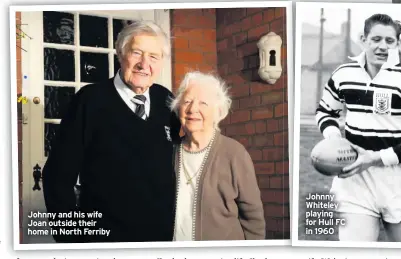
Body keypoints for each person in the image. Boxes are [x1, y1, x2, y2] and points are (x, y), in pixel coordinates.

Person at [42, 20, 181, 243]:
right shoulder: (89, 101)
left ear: (162, 62)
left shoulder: (166, 100)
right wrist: (71, 238)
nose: (144, 64)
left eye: (154, 57)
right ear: (121, 54)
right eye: (137, 53)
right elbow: (57, 177)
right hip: (103, 241)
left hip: (158, 239)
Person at [315, 14, 401, 242]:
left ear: (398, 44)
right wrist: (333, 138)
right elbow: (325, 112)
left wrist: (375, 157)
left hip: (400, 182)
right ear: (363, 39)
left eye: (390, 41)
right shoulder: (343, 75)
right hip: (353, 181)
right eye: (376, 39)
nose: (382, 46)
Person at [169, 71, 265, 241]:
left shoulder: (234, 154)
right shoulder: (170, 151)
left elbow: (253, 219)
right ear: (178, 108)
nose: (193, 109)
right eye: (188, 101)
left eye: (203, 103)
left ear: (218, 112)